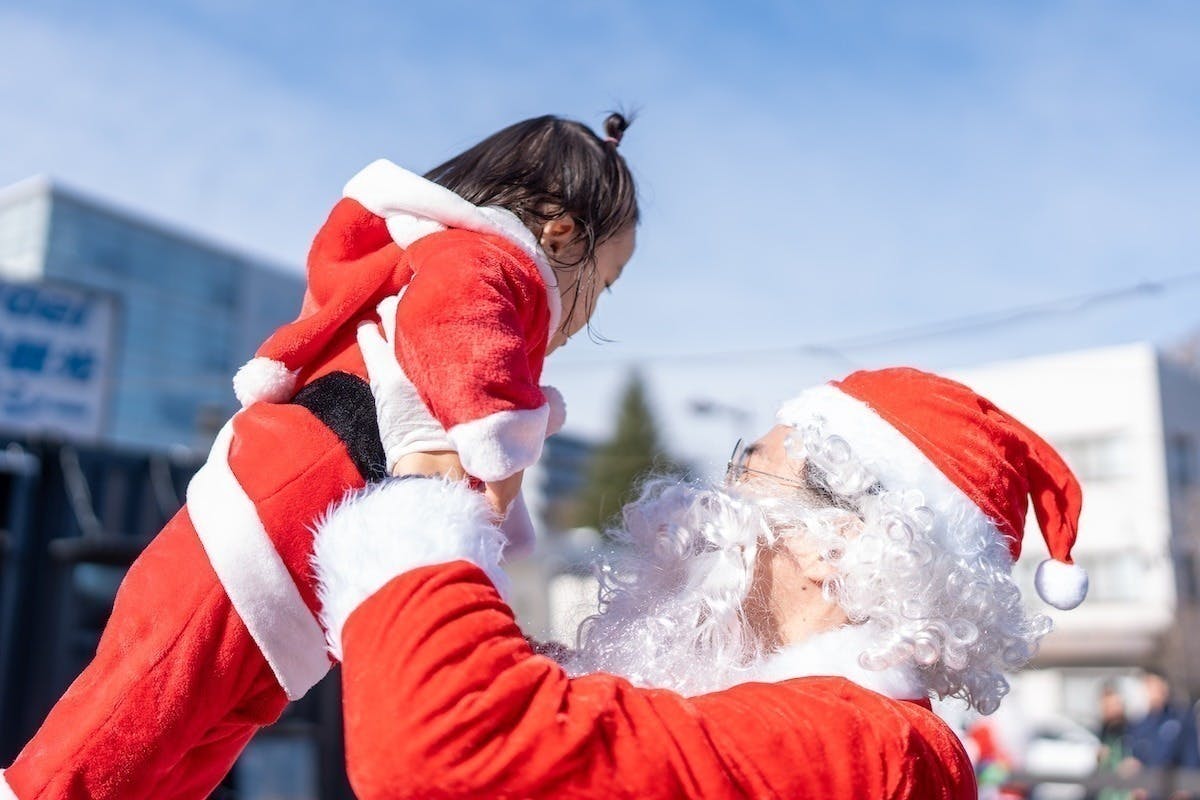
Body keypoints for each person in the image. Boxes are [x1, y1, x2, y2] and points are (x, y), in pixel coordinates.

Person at [1, 113, 638, 800]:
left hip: (288, 571)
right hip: (255, 532)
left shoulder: (477, 280)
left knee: (182, 753)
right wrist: (498, 456)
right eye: (604, 284)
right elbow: (458, 338)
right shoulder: (483, 261)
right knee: (120, 732)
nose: (592, 311)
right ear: (561, 233)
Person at [311, 366, 1090, 798]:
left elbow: (453, 748)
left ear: (838, 548)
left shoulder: (861, 746)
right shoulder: (852, 727)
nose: (704, 502)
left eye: (747, 472)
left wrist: (419, 508)